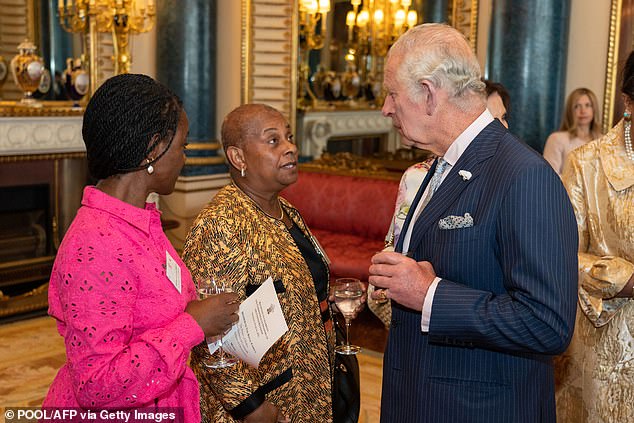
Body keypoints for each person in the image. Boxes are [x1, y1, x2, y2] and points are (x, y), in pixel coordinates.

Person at [368, 23, 578, 422]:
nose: (386, 108)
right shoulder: (442, 165)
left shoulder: (523, 175)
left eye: (393, 93)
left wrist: (430, 294)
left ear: (429, 94)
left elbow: (548, 323)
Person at [42, 74, 239, 422]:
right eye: (183, 146)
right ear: (153, 149)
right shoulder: (96, 244)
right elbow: (95, 384)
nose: (184, 159)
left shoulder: (139, 223)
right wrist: (193, 324)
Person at [183, 104, 339, 423]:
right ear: (238, 158)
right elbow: (209, 340)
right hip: (267, 406)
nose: (290, 147)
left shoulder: (287, 212)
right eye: (273, 141)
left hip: (311, 390)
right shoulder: (221, 225)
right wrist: (253, 409)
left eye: (289, 137)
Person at [370, 78, 512, 328]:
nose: (502, 127)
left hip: (482, 318)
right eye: (492, 118)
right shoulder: (417, 177)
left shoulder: (512, 178)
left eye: (503, 118)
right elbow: (397, 246)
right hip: (421, 314)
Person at [556, 50, 634, 422]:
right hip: (608, 351)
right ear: (628, 101)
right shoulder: (586, 164)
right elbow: (561, 253)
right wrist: (623, 278)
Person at [543, 87, 603, 174]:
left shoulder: (603, 141)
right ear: (570, 111)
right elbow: (550, 177)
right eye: (577, 106)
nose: (583, 111)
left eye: (587, 105)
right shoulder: (556, 139)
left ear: (594, 109)